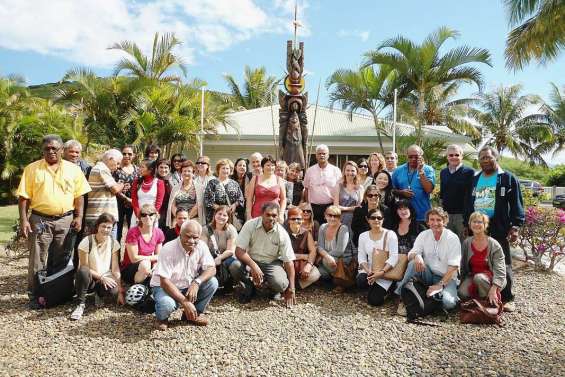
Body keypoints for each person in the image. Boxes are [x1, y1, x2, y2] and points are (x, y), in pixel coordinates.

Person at [17, 135, 91, 308]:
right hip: (39, 219)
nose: (50, 151)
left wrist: (79, 217)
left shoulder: (74, 170)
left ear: (61, 151)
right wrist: (24, 221)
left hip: (65, 220)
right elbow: (23, 198)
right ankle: (35, 295)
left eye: (54, 149)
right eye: (47, 149)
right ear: (42, 150)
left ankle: (56, 293)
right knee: (37, 259)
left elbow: (79, 196)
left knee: (61, 258)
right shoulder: (32, 169)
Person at [464, 146, 524, 311]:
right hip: (477, 226)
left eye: (488, 157)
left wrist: (515, 226)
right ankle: (481, 292)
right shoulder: (475, 179)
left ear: (496, 158)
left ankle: (507, 297)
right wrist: (465, 223)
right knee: (478, 259)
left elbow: (517, 204)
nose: (485, 160)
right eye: (482, 158)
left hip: (498, 225)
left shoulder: (507, 178)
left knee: (503, 261)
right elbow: (468, 202)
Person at [150, 220, 218, 330]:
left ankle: (192, 314)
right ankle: (162, 318)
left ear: (199, 237)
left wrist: (197, 282)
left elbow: (212, 268)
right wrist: (185, 302)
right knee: (166, 304)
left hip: (188, 285)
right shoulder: (168, 248)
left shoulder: (201, 246)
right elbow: (164, 282)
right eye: (188, 236)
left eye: (195, 237)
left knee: (212, 282)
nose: (191, 241)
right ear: (180, 234)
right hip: (165, 287)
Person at [394, 208, 461, 313]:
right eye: (432, 220)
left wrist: (440, 285)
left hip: (447, 278)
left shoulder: (452, 238)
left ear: (444, 221)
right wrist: (417, 256)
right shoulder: (424, 235)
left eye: (439, 220)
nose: (435, 223)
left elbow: (454, 266)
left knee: (448, 303)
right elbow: (411, 254)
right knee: (413, 263)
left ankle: (434, 296)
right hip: (428, 274)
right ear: (428, 222)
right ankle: (402, 296)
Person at [231, 202, 296, 306]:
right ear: (262, 214)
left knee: (281, 284)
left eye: (274, 215)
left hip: (271, 263)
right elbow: (239, 251)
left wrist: (292, 288)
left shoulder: (282, 233)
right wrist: (254, 266)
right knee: (235, 266)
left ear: (278, 216)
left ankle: (272, 290)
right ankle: (249, 286)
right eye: (268, 215)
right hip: (252, 260)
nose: (271, 218)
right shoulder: (250, 225)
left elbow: (289, 262)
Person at [70, 213, 124, 320]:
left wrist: (120, 291)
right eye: (103, 226)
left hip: (103, 277)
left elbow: (115, 268)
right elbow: (84, 267)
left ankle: (99, 295)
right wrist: (102, 277)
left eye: (109, 227)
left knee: (114, 290)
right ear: (97, 226)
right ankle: (80, 304)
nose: (106, 230)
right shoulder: (86, 241)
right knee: (83, 271)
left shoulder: (114, 243)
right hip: (89, 277)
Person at [459, 212, 507, 306]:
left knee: (479, 278)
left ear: (485, 225)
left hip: (494, 278)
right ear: (469, 224)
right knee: (462, 293)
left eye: (480, 222)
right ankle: (482, 299)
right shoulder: (466, 243)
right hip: (473, 276)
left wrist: (494, 288)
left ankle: (487, 303)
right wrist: (460, 281)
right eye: (474, 222)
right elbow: (463, 266)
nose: (476, 224)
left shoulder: (494, 244)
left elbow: (500, 270)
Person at [357, 208, 399, 306]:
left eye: (379, 218)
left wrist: (381, 273)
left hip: (386, 271)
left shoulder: (390, 234)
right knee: (361, 280)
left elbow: (394, 256)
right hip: (370, 270)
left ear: (383, 220)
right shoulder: (363, 236)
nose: (376, 220)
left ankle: (389, 289)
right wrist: (368, 271)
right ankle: (373, 288)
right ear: (368, 220)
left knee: (375, 301)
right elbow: (361, 256)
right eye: (373, 218)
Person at [392, 145, 435, 226]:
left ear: (421, 156)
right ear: (406, 156)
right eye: (410, 157)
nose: (413, 159)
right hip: (403, 216)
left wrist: (421, 171)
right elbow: (391, 190)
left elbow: (429, 189)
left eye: (416, 157)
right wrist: (401, 192)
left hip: (422, 215)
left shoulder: (428, 169)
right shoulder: (398, 170)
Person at [84, 149, 124, 236]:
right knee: (104, 247)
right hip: (101, 218)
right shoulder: (102, 169)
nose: (117, 166)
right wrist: (122, 184)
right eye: (117, 163)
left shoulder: (100, 168)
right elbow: (115, 189)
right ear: (111, 159)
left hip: (101, 216)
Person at [122, 204, 164, 284]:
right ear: (140, 218)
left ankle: (148, 283)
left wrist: (155, 267)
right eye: (143, 215)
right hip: (130, 268)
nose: (147, 217)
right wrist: (152, 258)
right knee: (145, 263)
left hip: (148, 268)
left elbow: (158, 256)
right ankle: (137, 285)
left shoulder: (159, 233)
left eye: (151, 214)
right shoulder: (133, 232)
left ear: (156, 216)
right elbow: (133, 258)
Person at [439, 144, 475, 240]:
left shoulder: (469, 172)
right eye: (451, 155)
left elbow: (471, 196)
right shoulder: (443, 172)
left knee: (464, 244)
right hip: (447, 215)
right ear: (447, 157)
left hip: (462, 216)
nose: (454, 157)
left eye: (457, 155)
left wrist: (467, 218)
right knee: (448, 243)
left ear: (461, 156)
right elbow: (442, 194)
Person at [200, 206, 239, 288]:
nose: (221, 217)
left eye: (225, 215)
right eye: (219, 214)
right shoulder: (205, 229)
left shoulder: (231, 230)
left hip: (226, 256)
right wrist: (211, 260)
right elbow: (203, 248)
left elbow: (230, 250)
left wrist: (219, 258)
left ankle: (229, 283)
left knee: (234, 264)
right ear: (215, 215)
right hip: (210, 256)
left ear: (228, 217)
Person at [303, 144, 342, 224]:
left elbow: (340, 189)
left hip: (330, 206)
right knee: (315, 230)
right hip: (314, 207)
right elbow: (306, 188)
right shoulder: (310, 171)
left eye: (324, 153)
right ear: (316, 155)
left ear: (328, 155)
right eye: (319, 153)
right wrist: (308, 204)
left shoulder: (336, 170)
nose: (322, 155)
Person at [285, 207, 320, 289]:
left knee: (316, 274)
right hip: (286, 263)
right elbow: (281, 254)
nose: (296, 221)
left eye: (299, 219)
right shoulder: (283, 233)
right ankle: (286, 285)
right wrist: (302, 256)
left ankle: (295, 286)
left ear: (302, 220)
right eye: (293, 219)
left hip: (301, 265)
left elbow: (313, 251)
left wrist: (309, 264)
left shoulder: (306, 233)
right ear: (289, 220)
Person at [246, 155, 287, 223]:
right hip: (257, 214)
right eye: (268, 165)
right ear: (262, 167)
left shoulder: (279, 180)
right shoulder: (255, 179)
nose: (270, 167)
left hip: (274, 215)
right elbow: (249, 199)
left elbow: (283, 199)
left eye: (273, 165)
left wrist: (281, 214)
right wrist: (248, 215)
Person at [204, 159, 245, 225]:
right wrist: (222, 210)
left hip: (231, 217)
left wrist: (235, 205)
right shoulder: (212, 183)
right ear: (218, 169)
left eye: (227, 168)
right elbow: (208, 200)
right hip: (216, 217)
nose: (225, 170)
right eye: (223, 168)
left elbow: (241, 198)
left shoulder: (234, 183)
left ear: (230, 170)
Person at [316, 206, 352, 281]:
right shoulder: (323, 227)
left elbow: (340, 251)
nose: (332, 218)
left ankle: (341, 279)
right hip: (329, 259)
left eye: (336, 216)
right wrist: (327, 256)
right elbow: (320, 247)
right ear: (325, 215)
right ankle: (335, 277)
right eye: (330, 215)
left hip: (342, 260)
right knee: (319, 273)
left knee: (325, 263)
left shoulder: (343, 228)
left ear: (340, 217)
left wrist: (324, 257)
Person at [113, 145, 138, 243]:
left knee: (132, 230)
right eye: (124, 154)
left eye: (129, 154)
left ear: (134, 156)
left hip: (133, 204)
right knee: (117, 232)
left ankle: (129, 256)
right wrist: (125, 197)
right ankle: (116, 257)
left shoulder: (137, 170)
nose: (127, 156)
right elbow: (112, 187)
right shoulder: (116, 169)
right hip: (118, 203)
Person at [131, 159, 165, 225]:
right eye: (139, 166)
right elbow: (134, 199)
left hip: (152, 216)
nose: (139, 169)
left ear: (150, 170)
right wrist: (139, 215)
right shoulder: (136, 182)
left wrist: (151, 215)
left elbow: (159, 202)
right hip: (137, 215)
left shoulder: (159, 183)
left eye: (142, 167)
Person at [333, 161, 364, 233]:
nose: (350, 173)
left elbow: (359, 207)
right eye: (348, 170)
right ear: (344, 171)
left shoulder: (360, 188)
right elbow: (335, 207)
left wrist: (343, 208)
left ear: (356, 172)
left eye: (353, 171)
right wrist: (351, 208)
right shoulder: (338, 186)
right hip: (340, 219)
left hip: (355, 220)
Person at [167, 160, 198, 227]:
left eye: (189, 171)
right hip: (178, 217)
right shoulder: (175, 188)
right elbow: (172, 205)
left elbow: (198, 205)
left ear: (193, 173)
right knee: (174, 227)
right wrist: (179, 217)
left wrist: (186, 218)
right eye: (184, 171)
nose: (186, 173)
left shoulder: (198, 188)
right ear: (181, 173)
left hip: (193, 217)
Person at [193, 155, 214, 226]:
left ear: (208, 166)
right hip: (196, 211)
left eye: (203, 163)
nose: (200, 164)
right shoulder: (193, 179)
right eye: (198, 162)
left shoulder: (213, 179)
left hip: (210, 211)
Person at [156, 159, 173, 230]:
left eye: (166, 168)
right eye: (161, 167)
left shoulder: (172, 181)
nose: (163, 170)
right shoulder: (154, 181)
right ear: (157, 168)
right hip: (157, 211)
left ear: (169, 169)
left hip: (169, 212)